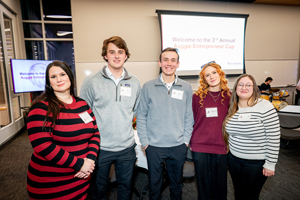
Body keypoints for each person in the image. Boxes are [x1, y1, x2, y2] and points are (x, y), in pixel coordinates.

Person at [26, 61, 100, 200]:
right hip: (50, 184)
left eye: (62, 74)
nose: (59, 79)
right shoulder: (40, 108)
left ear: (70, 77)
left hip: (81, 179)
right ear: (49, 83)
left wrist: (89, 160)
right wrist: (80, 164)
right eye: (53, 77)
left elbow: (95, 133)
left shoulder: (82, 104)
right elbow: (43, 146)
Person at [80, 36, 141, 200]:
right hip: (100, 147)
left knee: (125, 189)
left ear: (126, 55)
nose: (116, 56)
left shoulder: (135, 82)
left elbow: (134, 111)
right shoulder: (91, 81)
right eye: (112, 52)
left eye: (120, 52)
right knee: (99, 190)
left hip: (126, 147)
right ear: (105, 55)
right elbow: (84, 113)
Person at [137, 47, 194, 200]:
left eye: (173, 60)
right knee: (154, 186)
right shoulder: (148, 86)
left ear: (178, 64)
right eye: (165, 60)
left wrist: (185, 142)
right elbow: (141, 115)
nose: (169, 63)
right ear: (160, 63)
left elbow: (189, 116)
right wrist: (145, 142)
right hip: (154, 146)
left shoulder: (186, 87)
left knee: (176, 185)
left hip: (178, 146)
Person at [223, 74, 280, 200]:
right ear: (236, 88)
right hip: (234, 160)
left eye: (249, 85)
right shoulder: (232, 107)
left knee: (250, 196)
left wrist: (270, 163)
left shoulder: (265, 106)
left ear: (254, 88)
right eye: (241, 84)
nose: (244, 87)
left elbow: (274, 137)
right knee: (238, 193)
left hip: (256, 163)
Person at [190, 61, 231, 200]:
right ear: (204, 79)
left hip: (221, 146)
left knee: (220, 186)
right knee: (203, 186)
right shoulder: (196, 97)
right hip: (200, 146)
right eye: (207, 75)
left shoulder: (230, 97)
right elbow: (192, 121)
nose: (211, 76)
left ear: (220, 74)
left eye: (214, 72)